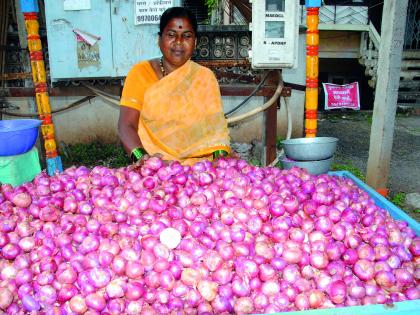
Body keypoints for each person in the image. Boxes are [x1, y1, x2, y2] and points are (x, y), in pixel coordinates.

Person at [118, 7, 231, 165]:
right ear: (159, 39)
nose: (178, 42)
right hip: (155, 170)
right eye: (171, 35)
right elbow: (126, 125)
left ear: (195, 42)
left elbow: (216, 131)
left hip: (200, 172)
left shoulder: (205, 78)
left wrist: (220, 163)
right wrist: (142, 158)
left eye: (187, 36)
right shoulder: (140, 73)